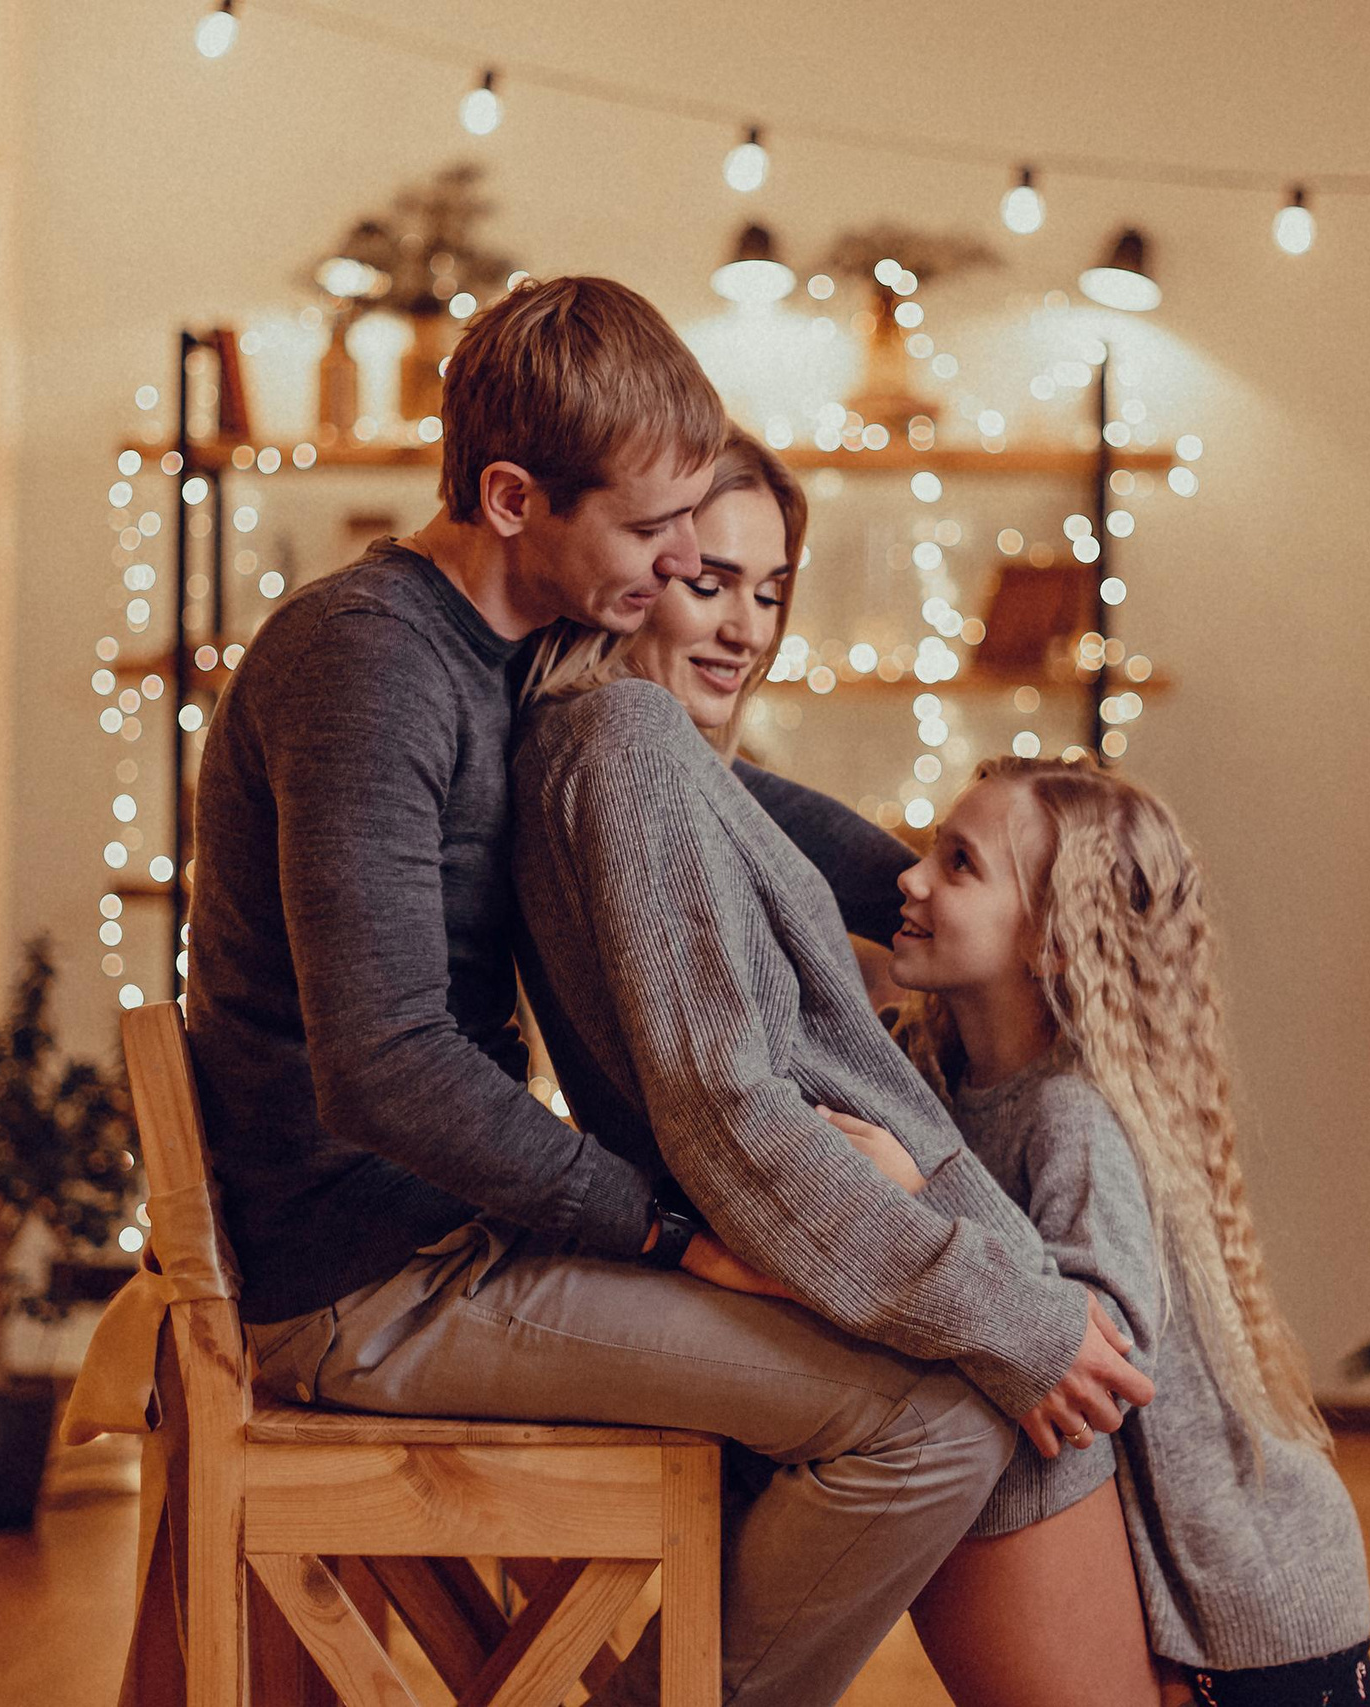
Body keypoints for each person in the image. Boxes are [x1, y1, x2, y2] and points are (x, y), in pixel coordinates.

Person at [186, 275, 1139, 1707]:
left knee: (896, 1339)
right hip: (372, 1282)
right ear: (512, 497)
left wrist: (988, 905)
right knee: (933, 1418)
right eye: (652, 527)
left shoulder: (519, 651)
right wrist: (667, 1232)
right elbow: (380, 1066)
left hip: (455, 1238)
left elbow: (736, 802)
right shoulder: (367, 660)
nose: (688, 559)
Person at [515, 427, 1158, 1706]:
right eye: (711, 580)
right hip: (831, 1273)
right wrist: (1002, 1306)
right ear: (638, 568)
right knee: (1020, 1437)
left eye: (770, 589)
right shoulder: (626, 745)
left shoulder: (685, 771)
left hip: (865, 1263)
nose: (745, 627)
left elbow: (853, 880)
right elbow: (722, 1107)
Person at [889, 759, 1370, 1707]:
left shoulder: (1071, 1113)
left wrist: (926, 1185)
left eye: (959, 864)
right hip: (1212, 1589)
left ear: (1052, 945)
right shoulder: (944, 1072)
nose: (910, 877)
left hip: (1256, 1600)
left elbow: (1103, 1348)